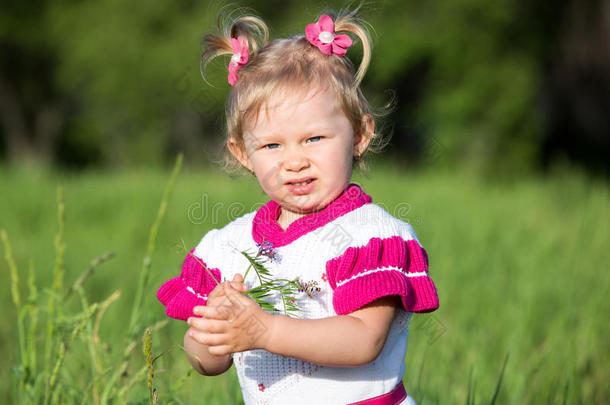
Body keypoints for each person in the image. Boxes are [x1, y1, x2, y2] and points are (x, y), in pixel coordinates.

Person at [157, 9, 439, 404]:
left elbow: (364, 338)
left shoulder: (370, 236)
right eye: (272, 145)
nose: (294, 160)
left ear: (359, 135)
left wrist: (266, 331)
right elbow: (206, 363)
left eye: (314, 138)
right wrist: (212, 333)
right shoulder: (228, 247)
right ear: (242, 154)